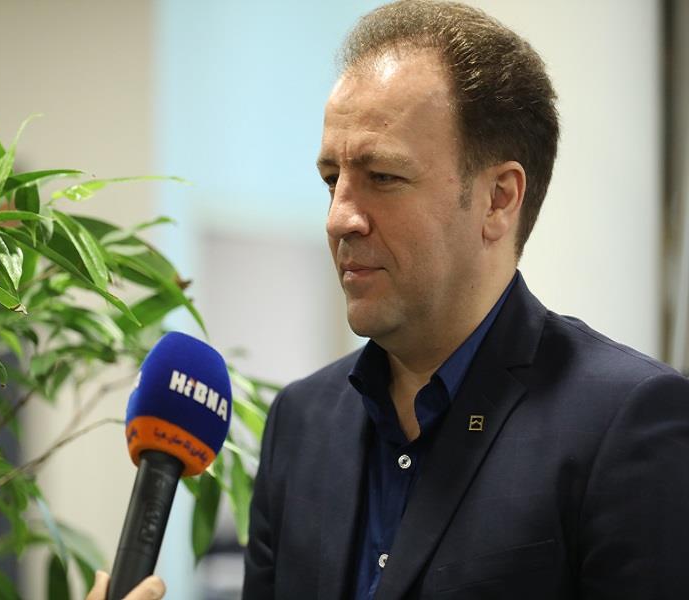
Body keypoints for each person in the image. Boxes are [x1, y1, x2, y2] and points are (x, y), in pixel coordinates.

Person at [240, 1, 689, 599]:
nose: (339, 218)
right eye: (331, 179)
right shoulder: (299, 423)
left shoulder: (624, 423)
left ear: (499, 199)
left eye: (383, 177)